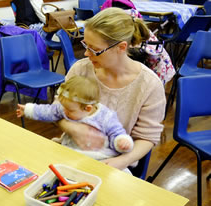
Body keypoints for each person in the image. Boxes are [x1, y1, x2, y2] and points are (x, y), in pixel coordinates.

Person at [58, 7, 166, 171]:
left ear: (121, 47)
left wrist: (121, 161)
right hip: (73, 151)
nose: (87, 53)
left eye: (94, 49)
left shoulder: (149, 85)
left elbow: (146, 137)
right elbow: (58, 109)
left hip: (113, 159)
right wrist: (70, 127)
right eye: (85, 45)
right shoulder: (80, 70)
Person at [16, 75, 134, 163]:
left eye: (70, 110)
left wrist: (121, 142)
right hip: (70, 152)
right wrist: (28, 110)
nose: (64, 112)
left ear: (87, 108)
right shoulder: (67, 107)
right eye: (64, 108)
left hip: (98, 157)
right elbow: (49, 111)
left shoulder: (106, 117)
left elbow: (116, 132)